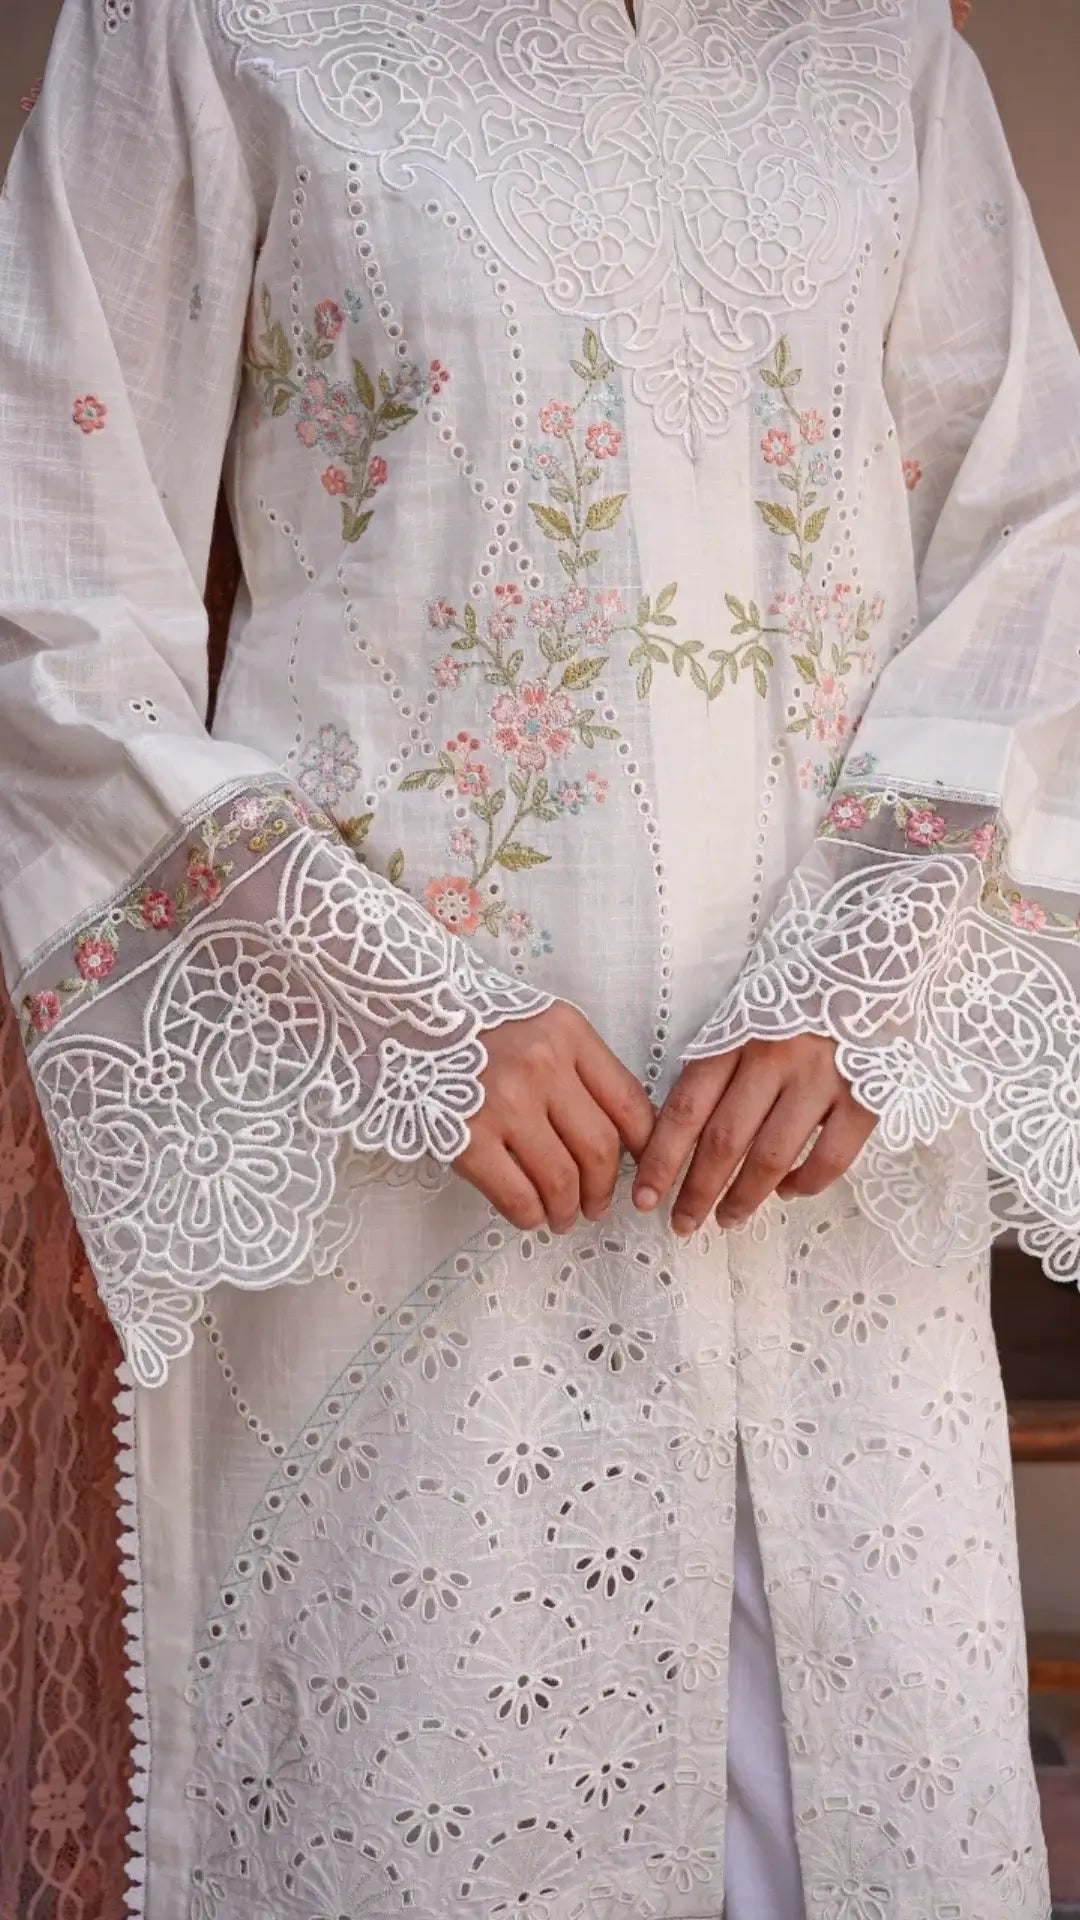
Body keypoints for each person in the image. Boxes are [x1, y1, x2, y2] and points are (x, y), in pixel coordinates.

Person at [1, 0, 1077, 1911]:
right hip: (423, 1202)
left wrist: (867, 958)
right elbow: (50, 588)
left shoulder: (880, 47)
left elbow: (1037, 538)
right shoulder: (208, 24)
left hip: (830, 1224)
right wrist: (394, 1006)